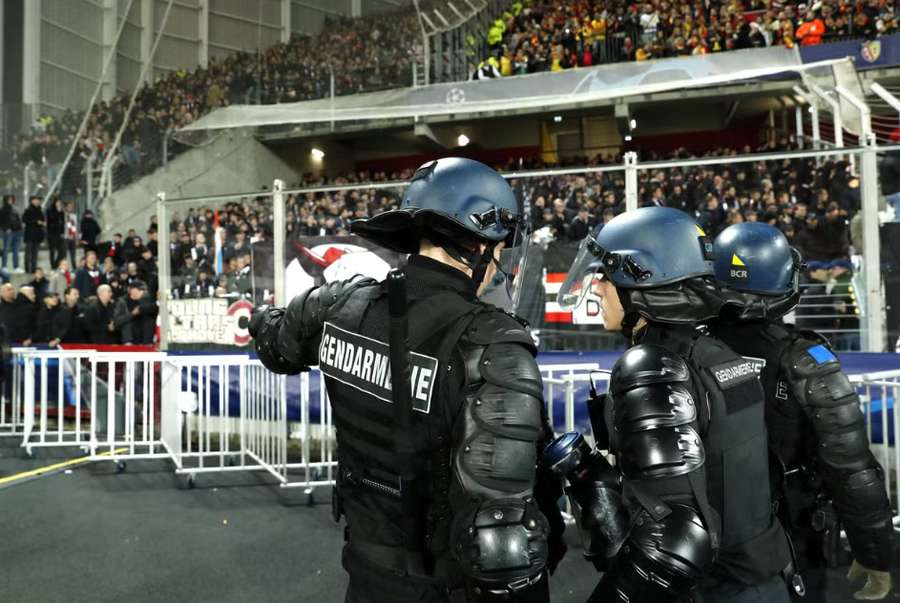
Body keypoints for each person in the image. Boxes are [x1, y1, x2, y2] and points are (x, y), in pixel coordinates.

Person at [249, 158, 563, 603]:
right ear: (475, 247)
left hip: (364, 570)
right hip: (444, 584)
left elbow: (274, 345)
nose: (499, 262)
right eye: (497, 247)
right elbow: (500, 540)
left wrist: (261, 319)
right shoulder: (490, 343)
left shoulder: (342, 304)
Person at [553, 207, 793, 602]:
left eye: (605, 277)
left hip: (709, 588)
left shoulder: (653, 365)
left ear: (639, 280)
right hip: (760, 578)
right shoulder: (717, 354)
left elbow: (673, 543)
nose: (596, 288)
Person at [710, 222, 894, 602]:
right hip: (790, 540)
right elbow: (852, 468)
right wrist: (873, 551)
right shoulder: (805, 358)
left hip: (704, 542)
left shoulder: (683, 350)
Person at [113, 280, 158, 345]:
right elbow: (117, 321)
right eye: (141, 289)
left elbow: (156, 308)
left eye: (145, 290)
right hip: (130, 341)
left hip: (146, 341)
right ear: (132, 290)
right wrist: (132, 314)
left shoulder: (147, 300)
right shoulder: (123, 302)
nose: (144, 292)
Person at [23, 195, 45, 274]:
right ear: (31, 201)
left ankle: (33, 269)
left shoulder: (40, 211)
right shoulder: (28, 210)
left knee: (35, 254)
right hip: (29, 235)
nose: (37, 202)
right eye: (35, 200)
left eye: (38, 200)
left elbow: (43, 221)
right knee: (28, 253)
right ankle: (27, 269)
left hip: (37, 236)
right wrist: (36, 222)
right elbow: (24, 220)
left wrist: (42, 223)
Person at [0, 195, 23, 273]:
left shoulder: (15, 208)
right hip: (9, 233)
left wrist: (20, 229)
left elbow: (19, 219)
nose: (10, 200)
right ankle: (4, 266)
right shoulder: (3, 209)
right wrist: (6, 229)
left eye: (11, 199)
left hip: (17, 232)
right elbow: (1, 221)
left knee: (16, 251)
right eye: (9, 199)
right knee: (6, 249)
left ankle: (16, 267)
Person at [46, 197, 66, 269]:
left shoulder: (61, 211)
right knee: (52, 250)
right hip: (52, 233)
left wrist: (62, 232)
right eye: (57, 202)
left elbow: (63, 222)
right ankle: (52, 265)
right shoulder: (50, 210)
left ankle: (56, 264)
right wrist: (58, 212)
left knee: (62, 251)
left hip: (59, 233)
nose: (59, 204)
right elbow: (51, 219)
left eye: (60, 203)